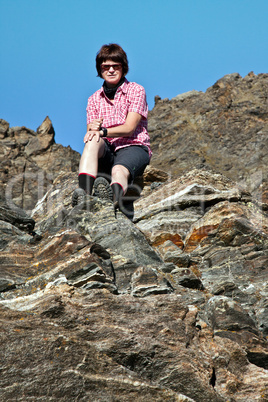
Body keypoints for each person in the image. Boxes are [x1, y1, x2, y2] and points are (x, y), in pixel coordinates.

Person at [72, 43, 151, 220]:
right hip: (107, 150)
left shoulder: (136, 90)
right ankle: (83, 195)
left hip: (133, 146)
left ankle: (113, 200)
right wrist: (93, 129)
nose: (111, 70)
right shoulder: (93, 99)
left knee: (118, 171)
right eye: (106, 67)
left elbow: (130, 128)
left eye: (116, 66)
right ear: (100, 70)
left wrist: (103, 131)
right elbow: (91, 133)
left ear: (124, 68)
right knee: (91, 139)